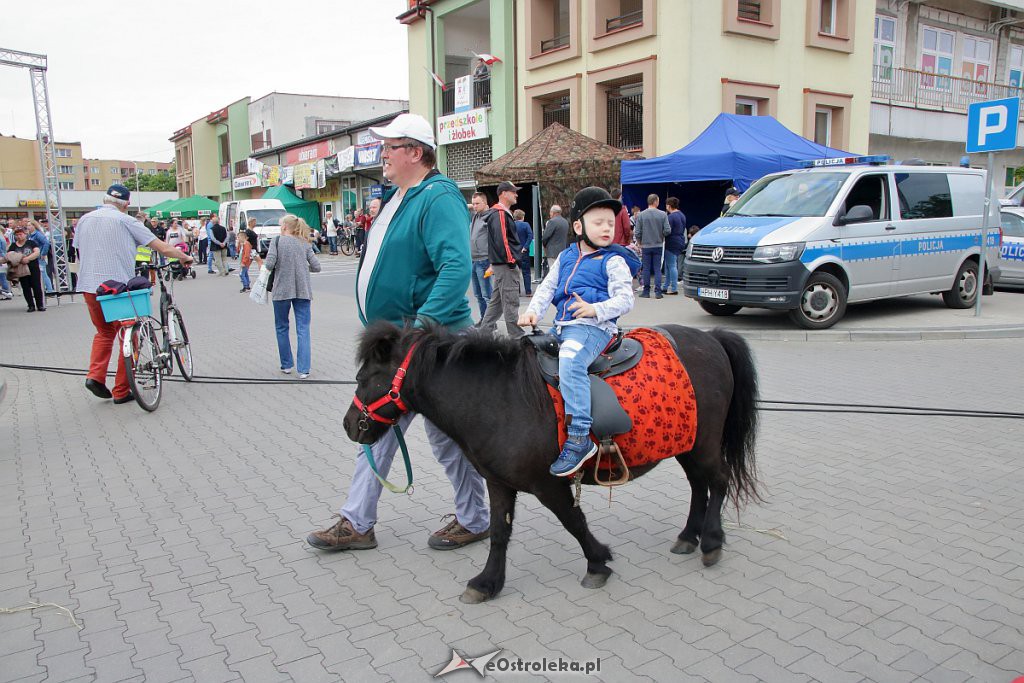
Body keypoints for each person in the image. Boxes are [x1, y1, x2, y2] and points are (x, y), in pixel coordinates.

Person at [307, 113, 489, 553]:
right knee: (377, 425)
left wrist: (423, 326)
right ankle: (356, 521)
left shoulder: (438, 196)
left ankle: (476, 517)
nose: (382, 154)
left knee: (445, 438)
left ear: (415, 152)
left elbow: (454, 266)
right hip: (398, 342)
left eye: (390, 146)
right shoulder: (400, 196)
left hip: (430, 341)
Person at [517, 187, 639, 476]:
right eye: (598, 222)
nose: (607, 228)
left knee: (570, 361)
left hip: (593, 329)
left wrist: (596, 309)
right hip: (564, 326)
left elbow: (626, 300)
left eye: (611, 223)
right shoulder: (567, 256)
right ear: (578, 226)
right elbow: (547, 287)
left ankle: (579, 437)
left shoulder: (614, 261)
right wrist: (534, 310)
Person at [74, 184, 192, 403]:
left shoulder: (85, 220)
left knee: (104, 332)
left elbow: (80, 248)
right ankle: (121, 390)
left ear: (105, 199)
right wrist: (184, 257)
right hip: (117, 288)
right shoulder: (126, 220)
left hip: (90, 287)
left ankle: (95, 376)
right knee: (131, 334)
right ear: (126, 204)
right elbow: (162, 248)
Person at [265, 214, 321, 377]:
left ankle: (286, 364)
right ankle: (304, 369)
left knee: (282, 327)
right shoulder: (304, 243)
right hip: (303, 290)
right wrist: (303, 269)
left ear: (284, 227)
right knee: (303, 329)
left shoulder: (277, 241)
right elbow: (316, 267)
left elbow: (269, 264)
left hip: (282, 290)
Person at [478, 180, 524, 338]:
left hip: (501, 264)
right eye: (513, 191)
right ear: (503, 194)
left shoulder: (499, 213)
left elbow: (500, 240)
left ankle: (483, 334)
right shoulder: (500, 213)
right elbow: (502, 240)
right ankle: (517, 337)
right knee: (510, 300)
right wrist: (511, 261)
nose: (516, 194)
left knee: (496, 303)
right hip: (506, 264)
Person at [634, 194, 671, 299]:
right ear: (655, 201)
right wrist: (661, 235)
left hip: (645, 245)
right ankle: (658, 292)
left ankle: (646, 291)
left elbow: (637, 232)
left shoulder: (641, 215)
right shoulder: (663, 214)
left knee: (646, 269)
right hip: (658, 244)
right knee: (657, 268)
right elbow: (668, 230)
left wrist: (639, 242)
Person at [5, 226, 45, 311]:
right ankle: (31, 305)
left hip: (33, 267)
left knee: (36, 286)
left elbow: (37, 252)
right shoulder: (13, 245)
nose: (19, 236)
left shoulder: (31, 242)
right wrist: (19, 259)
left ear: (25, 234)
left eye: (21, 234)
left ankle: (40, 305)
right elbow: (9, 255)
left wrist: (28, 258)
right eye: (17, 235)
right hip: (21, 269)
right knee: (26, 287)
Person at [467, 191, 491, 319]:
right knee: (478, 295)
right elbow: (463, 206)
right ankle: (484, 320)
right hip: (473, 260)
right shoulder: (475, 216)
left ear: (485, 203)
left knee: (487, 294)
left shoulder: (489, 216)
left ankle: (490, 324)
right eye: (473, 204)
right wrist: (473, 205)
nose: (475, 206)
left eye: (477, 204)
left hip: (484, 260)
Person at [664, 197, 687, 296]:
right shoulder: (682, 215)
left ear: (669, 206)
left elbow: (667, 231)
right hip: (680, 241)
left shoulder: (671, 217)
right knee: (669, 265)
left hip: (672, 242)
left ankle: (673, 288)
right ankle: (665, 286)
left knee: (672, 265)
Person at [540, 203, 569, 277]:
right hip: (562, 250)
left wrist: (544, 245)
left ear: (553, 212)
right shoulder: (565, 222)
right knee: (560, 271)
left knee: (553, 272)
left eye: (550, 212)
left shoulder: (552, 222)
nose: (550, 214)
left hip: (552, 251)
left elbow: (545, 237)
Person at [26, 220, 54, 293]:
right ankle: (44, 288)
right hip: (33, 257)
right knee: (38, 274)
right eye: (27, 225)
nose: (28, 227)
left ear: (34, 226)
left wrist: (43, 253)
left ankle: (50, 290)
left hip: (39, 256)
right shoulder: (30, 235)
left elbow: (46, 243)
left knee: (43, 273)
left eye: (30, 225)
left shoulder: (38, 234)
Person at [513, 209, 533, 296]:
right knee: (526, 272)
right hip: (523, 251)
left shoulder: (511, 225)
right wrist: (525, 246)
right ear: (522, 217)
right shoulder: (526, 225)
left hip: (514, 251)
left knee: (515, 272)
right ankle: (528, 291)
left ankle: (517, 291)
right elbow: (530, 235)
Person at [0, 229, 13, 300]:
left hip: (1, 258)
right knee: (3, 276)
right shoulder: (2, 238)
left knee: (2, 277)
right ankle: (8, 291)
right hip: (3, 256)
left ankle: (7, 292)